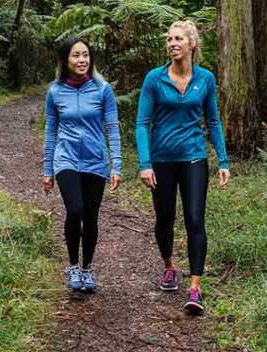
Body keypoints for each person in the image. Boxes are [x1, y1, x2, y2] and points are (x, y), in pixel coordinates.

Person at [135, 20, 230, 315]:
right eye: (169, 39)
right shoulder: (154, 79)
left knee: (194, 220)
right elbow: (141, 123)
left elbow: (212, 121)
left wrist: (223, 161)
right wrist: (145, 163)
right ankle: (169, 267)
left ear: (192, 44)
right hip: (162, 161)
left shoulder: (205, 79)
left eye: (178, 39)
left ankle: (195, 288)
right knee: (164, 220)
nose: (172, 43)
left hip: (193, 159)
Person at [43, 37, 122, 293]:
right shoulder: (55, 91)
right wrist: (47, 170)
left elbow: (112, 128)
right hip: (65, 159)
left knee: (90, 216)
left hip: (95, 161)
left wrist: (116, 165)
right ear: (66, 60)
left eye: (85, 55)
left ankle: (87, 269)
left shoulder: (102, 89)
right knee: (74, 210)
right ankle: (73, 266)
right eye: (76, 55)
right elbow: (51, 131)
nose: (82, 60)